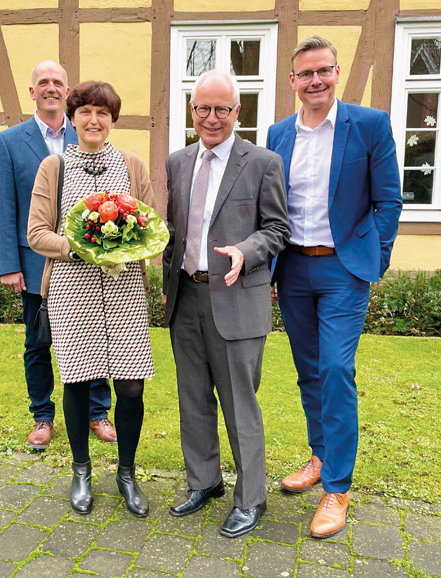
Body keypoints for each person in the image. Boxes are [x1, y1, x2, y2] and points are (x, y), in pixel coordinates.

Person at [266, 35, 402, 538]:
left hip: (343, 269)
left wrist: (373, 260)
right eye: (305, 74)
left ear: (337, 72)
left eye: (323, 70)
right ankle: (321, 456)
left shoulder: (368, 124)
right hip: (294, 268)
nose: (315, 81)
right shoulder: (279, 134)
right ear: (294, 81)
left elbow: (389, 201)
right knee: (309, 372)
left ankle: (338, 488)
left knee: (337, 369)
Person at [163, 70, 290, 538]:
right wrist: (166, 282)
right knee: (192, 399)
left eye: (221, 109)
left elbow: (278, 230)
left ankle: (250, 499)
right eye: (202, 108)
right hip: (186, 297)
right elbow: (175, 233)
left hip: (237, 298)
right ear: (191, 110)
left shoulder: (263, 163)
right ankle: (204, 482)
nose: (211, 118)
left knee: (240, 404)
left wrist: (245, 251)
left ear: (238, 112)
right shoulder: (177, 162)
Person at [27, 80, 155, 517]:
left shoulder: (132, 164)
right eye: (85, 112)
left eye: (103, 113)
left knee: (132, 386)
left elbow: (155, 229)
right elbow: (36, 233)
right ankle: (81, 470)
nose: (94, 120)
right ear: (73, 118)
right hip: (71, 288)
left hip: (123, 292)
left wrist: (129, 242)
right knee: (78, 381)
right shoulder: (54, 166)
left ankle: (126, 472)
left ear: (113, 120)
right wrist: (77, 245)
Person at [0, 61, 116, 451]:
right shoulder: (10, 141)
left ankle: (98, 413)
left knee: (95, 339)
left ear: (67, 92)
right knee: (38, 342)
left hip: (88, 266)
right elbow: (2, 206)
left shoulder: (85, 133)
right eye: (42, 82)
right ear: (32, 92)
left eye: (57, 82)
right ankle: (42, 416)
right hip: (34, 263)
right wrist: (9, 264)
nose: (50, 88)